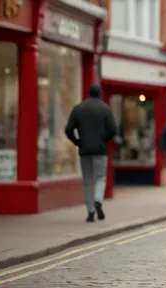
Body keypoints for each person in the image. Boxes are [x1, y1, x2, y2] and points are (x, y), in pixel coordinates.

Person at [65, 84, 117, 223]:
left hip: (84, 150)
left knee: (87, 181)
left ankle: (90, 212)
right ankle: (98, 200)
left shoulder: (78, 109)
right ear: (99, 94)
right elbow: (113, 129)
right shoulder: (105, 108)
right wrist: (103, 140)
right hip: (100, 150)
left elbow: (68, 130)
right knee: (100, 178)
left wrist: (78, 142)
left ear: (88, 93)